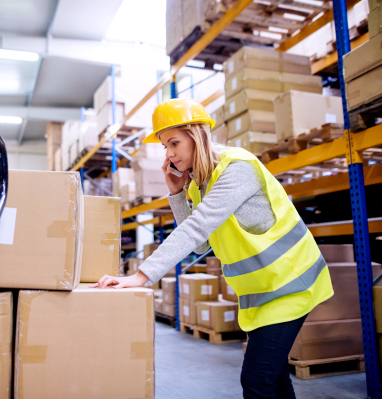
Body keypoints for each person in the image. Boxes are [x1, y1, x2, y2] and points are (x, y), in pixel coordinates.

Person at [91, 98, 334, 399]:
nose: (169, 154)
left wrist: (140, 276)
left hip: (291, 284)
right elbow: (203, 244)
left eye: (174, 143)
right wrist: (177, 194)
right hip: (261, 294)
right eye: (165, 146)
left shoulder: (237, 167)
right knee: (275, 380)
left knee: (257, 383)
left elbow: (197, 229)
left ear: (196, 135)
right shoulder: (198, 184)